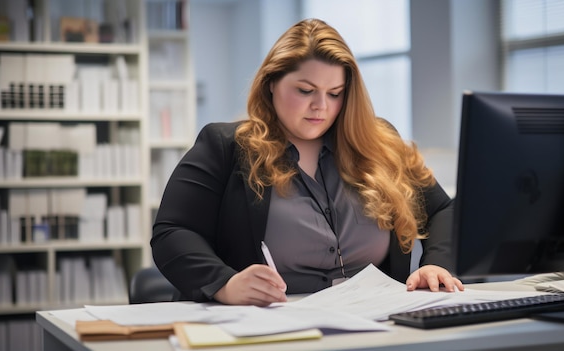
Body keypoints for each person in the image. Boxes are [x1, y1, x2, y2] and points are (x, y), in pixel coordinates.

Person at [151, 18, 464, 307]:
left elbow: (441, 209)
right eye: (305, 90)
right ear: (271, 83)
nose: (321, 106)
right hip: (272, 327)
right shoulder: (225, 146)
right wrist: (225, 283)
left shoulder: (379, 143)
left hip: (376, 321)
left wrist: (435, 264)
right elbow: (173, 232)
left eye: (335, 93)